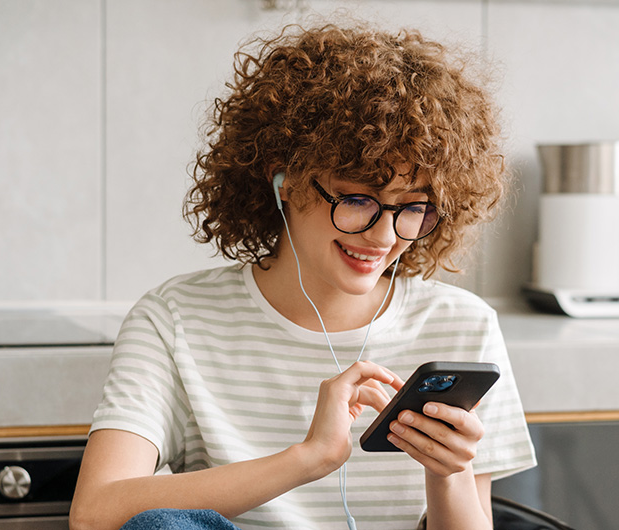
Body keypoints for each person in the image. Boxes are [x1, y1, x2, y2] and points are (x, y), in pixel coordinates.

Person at [70, 18, 536, 530]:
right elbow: (95, 514)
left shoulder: (462, 325)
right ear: (284, 179)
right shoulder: (176, 320)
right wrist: (308, 458)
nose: (384, 237)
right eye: (358, 199)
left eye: (413, 207)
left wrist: (449, 474)